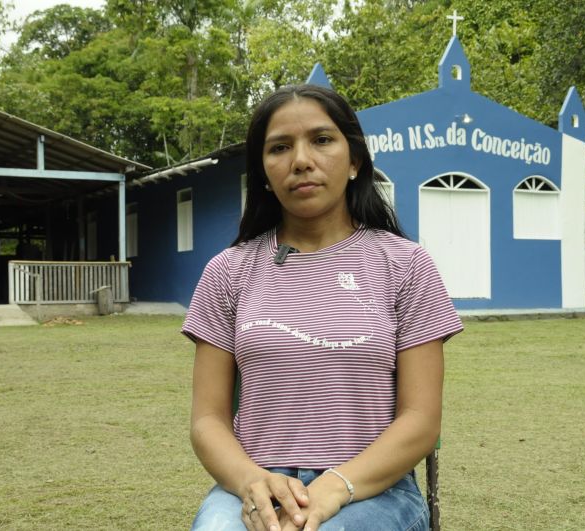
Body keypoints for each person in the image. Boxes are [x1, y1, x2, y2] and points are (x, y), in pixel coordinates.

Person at [182, 84, 463, 531]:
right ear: (263, 172)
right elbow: (207, 420)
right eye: (279, 147)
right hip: (256, 483)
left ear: (355, 161)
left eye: (322, 140)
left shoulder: (406, 265)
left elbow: (421, 419)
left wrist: (335, 487)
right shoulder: (227, 272)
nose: (301, 160)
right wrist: (252, 482)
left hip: (375, 489)